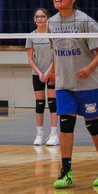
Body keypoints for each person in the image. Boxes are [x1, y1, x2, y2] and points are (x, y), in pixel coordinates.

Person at [46, 0, 98, 189]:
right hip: (64, 84)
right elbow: (55, 51)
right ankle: (66, 171)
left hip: (89, 84)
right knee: (65, 125)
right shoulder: (51, 23)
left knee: (93, 125)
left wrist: (89, 68)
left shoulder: (86, 22)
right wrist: (52, 70)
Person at [26, 8, 59, 146]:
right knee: (40, 103)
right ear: (34, 20)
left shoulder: (53, 35)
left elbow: (56, 55)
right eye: (37, 17)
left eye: (42, 16)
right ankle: (39, 134)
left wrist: (49, 71)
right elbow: (30, 58)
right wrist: (39, 73)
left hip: (52, 72)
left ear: (48, 18)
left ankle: (54, 134)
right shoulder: (31, 36)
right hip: (38, 74)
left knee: (52, 103)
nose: (39, 19)